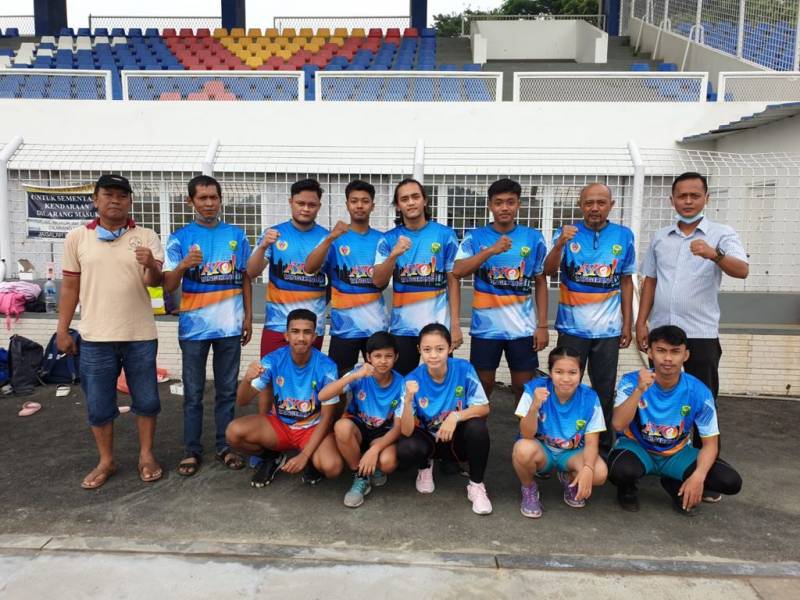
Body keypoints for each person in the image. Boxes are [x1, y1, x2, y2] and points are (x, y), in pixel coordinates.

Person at [57, 174, 164, 489]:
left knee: (147, 400)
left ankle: (146, 454)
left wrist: (151, 264)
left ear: (130, 201)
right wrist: (62, 330)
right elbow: (69, 287)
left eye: (121, 195)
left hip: (140, 335)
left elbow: (155, 284)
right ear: (95, 199)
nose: (115, 200)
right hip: (95, 337)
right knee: (99, 404)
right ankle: (106, 460)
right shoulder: (77, 237)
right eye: (108, 194)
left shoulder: (146, 236)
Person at [636, 172, 748, 460]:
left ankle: (706, 462)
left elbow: (742, 270)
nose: (688, 201)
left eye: (694, 195)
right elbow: (650, 281)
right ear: (672, 200)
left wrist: (714, 254)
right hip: (662, 333)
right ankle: (662, 455)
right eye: (682, 196)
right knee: (660, 396)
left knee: (704, 398)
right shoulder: (661, 237)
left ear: (706, 198)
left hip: (700, 333)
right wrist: (640, 322)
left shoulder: (721, 234)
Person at [163, 175, 252, 477]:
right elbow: (168, 285)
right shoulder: (179, 238)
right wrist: (183, 265)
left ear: (220, 199)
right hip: (194, 329)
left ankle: (225, 446)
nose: (209, 203)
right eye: (202, 198)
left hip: (229, 327)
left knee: (227, 390)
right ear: (191, 201)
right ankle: (191, 450)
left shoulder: (236, 235)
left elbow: (245, 277)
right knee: (194, 393)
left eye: (214, 197)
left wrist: (248, 317)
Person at [608, 325, 742, 515]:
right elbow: (618, 424)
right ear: (650, 352)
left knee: (730, 481)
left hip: (677, 453)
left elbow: (710, 444)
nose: (668, 358)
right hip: (638, 448)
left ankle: (673, 482)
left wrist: (698, 477)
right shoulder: (631, 381)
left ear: (686, 355)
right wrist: (639, 390)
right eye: (661, 351)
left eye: (675, 352)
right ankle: (627, 489)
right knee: (620, 469)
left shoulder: (699, 391)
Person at [543, 182, 635, 451]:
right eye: (589, 203)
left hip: (608, 330)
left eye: (601, 202)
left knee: (604, 391)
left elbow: (626, 281)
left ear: (611, 205)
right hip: (572, 329)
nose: (595, 208)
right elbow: (548, 271)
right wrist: (560, 243)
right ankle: (562, 443)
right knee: (564, 387)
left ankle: (602, 450)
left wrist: (627, 323)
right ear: (580, 205)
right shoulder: (566, 233)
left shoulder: (623, 235)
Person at [452, 178, 548, 401]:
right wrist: (491, 251)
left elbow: (541, 281)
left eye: (510, 202)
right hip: (486, 329)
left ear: (518, 205)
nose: (504, 207)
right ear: (490, 205)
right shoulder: (475, 237)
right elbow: (457, 271)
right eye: (498, 202)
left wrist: (543, 325)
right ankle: (478, 424)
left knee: (523, 388)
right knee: (482, 386)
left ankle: (524, 426)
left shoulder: (533, 237)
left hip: (522, 329)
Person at [226, 309, 343, 488]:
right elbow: (242, 401)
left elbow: (327, 418)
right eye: (295, 331)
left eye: (307, 332)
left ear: (314, 337)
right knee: (233, 432)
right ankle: (272, 457)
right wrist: (247, 379)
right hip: (279, 425)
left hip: (311, 428)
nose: (301, 338)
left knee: (332, 467)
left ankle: (312, 459)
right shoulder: (273, 360)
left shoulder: (327, 367)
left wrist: (304, 456)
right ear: (286, 335)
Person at [397, 323, 493, 515]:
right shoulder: (411, 380)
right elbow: (406, 431)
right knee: (406, 447)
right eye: (427, 350)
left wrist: (455, 416)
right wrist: (407, 401)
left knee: (478, 429)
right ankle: (425, 467)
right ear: (419, 350)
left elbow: (484, 407)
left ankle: (476, 486)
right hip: (429, 439)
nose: (433, 355)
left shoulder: (464, 369)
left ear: (449, 348)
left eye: (439, 349)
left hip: (454, 437)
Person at [372, 179, 461, 375]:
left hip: (438, 328)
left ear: (425, 200)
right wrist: (394, 254)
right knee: (403, 383)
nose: (411, 202)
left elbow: (453, 281)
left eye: (415, 197)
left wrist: (455, 325)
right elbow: (378, 282)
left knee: (441, 381)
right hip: (403, 328)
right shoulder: (388, 239)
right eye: (404, 199)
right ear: (398, 206)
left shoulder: (445, 235)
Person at [511, 346, 608, 519]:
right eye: (559, 372)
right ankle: (529, 488)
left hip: (571, 454)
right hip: (543, 451)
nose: (566, 379)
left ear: (580, 373)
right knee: (522, 449)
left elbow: (592, 441)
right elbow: (526, 434)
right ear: (550, 372)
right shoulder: (535, 390)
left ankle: (569, 478)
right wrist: (534, 406)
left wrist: (587, 468)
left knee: (599, 472)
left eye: (572, 372)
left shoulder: (590, 398)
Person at [304, 179, 388, 376]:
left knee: (379, 378)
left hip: (376, 327)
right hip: (343, 328)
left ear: (373, 206)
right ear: (347, 204)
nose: (359, 205)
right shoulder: (334, 238)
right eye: (354, 201)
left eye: (365, 201)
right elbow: (309, 268)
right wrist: (331, 237)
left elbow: (382, 282)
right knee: (338, 379)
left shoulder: (382, 239)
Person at [319, 331, 403, 508]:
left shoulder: (401, 384)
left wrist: (375, 450)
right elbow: (322, 395)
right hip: (358, 429)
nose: (383, 361)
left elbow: (397, 428)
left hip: (383, 434)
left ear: (396, 357)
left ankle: (372, 464)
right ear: (368, 357)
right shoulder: (359, 374)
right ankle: (360, 475)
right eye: (377, 356)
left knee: (388, 463)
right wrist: (354, 376)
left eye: (388, 356)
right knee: (341, 427)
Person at [246, 179, 328, 358]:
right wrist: (262, 246)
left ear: (319, 206)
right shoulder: (273, 234)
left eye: (312, 205)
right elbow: (251, 272)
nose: (305, 209)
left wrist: (320, 308)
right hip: (277, 324)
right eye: (300, 203)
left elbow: (335, 281)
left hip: (311, 327)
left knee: (307, 374)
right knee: (269, 373)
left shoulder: (327, 238)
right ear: (291, 202)